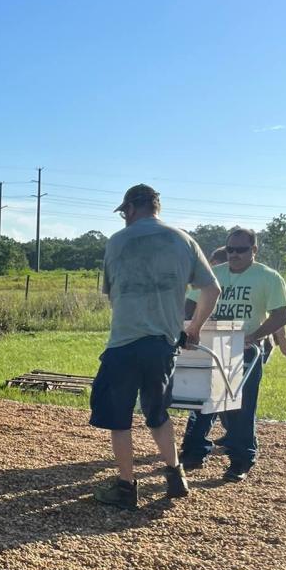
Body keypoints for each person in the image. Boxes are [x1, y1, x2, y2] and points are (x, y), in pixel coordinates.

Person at [90, 184, 220, 508]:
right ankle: (176, 476)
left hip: (123, 343)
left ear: (131, 209)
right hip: (162, 344)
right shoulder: (183, 239)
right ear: (156, 207)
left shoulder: (116, 242)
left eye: (123, 213)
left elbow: (110, 294)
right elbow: (212, 289)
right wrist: (194, 328)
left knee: (119, 418)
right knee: (157, 413)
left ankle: (125, 487)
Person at [180, 226, 286, 481]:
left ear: (254, 250)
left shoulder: (268, 277)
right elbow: (190, 302)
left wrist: (254, 337)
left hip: (246, 349)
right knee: (201, 401)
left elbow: (281, 314)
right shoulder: (213, 275)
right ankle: (194, 452)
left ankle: (241, 459)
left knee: (240, 405)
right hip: (211, 343)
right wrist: (189, 326)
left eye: (241, 250)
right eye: (230, 249)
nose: (234, 254)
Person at [206, 246, 286, 359]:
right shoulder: (215, 278)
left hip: (251, 342)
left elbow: (277, 315)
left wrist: (283, 339)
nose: (213, 268)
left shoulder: (259, 278)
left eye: (215, 264)